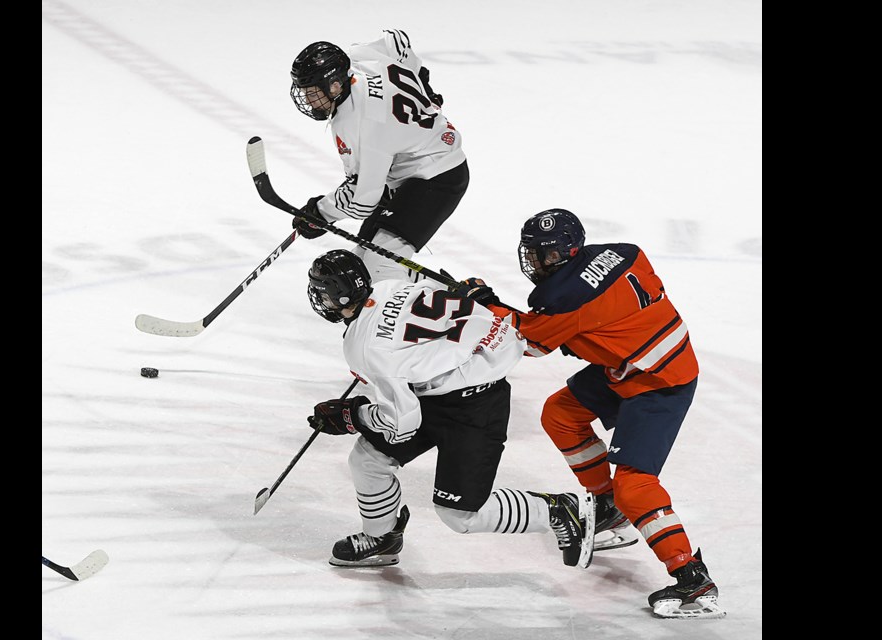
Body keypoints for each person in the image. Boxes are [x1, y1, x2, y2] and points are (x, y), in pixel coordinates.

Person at [460, 208, 726, 619]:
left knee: (635, 485)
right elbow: (586, 315)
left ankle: (691, 576)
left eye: (543, 256)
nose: (534, 262)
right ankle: (608, 507)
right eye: (532, 253)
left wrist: (489, 306)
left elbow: (529, 343)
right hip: (635, 363)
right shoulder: (622, 252)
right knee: (560, 414)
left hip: (659, 384)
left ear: (567, 251)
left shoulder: (562, 298)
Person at [303, 248, 596, 569]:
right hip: (457, 378)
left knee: (460, 515)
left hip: (474, 406)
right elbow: (441, 294)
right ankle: (381, 537)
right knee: (368, 461)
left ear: (338, 296)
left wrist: (352, 415)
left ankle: (558, 510)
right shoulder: (391, 285)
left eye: (323, 293)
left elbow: (401, 423)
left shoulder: (363, 346)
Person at [288, 30, 469, 283]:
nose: (307, 100)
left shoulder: (360, 124)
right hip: (412, 162)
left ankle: (450, 303)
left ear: (335, 85)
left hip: (437, 178)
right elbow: (396, 40)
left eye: (312, 92)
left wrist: (320, 213)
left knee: (377, 269)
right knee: (363, 261)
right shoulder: (358, 58)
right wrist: (424, 86)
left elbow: (363, 199)